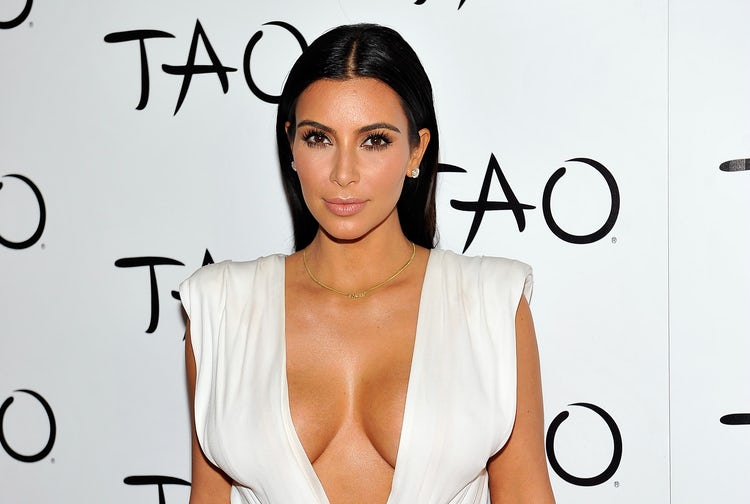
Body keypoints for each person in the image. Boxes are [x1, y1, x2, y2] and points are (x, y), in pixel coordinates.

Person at [180, 23, 555, 504]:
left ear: (416, 150)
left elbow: (524, 492)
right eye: (319, 138)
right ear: (291, 145)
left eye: (374, 140)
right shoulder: (220, 309)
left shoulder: (491, 305)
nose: (343, 174)